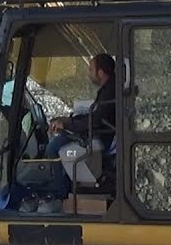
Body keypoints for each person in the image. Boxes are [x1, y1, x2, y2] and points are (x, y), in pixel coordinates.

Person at [23, 53, 117, 213]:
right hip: (96, 130)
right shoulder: (109, 88)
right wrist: (67, 120)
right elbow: (94, 116)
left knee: (53, 148)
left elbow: (94, 122)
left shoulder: (109, 91)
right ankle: (61, 185)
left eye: (91, 70)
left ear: (100, 73)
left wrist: (69, 125)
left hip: (99, 134)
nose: (89, 74)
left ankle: (60, 195)